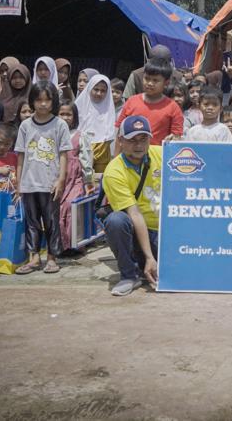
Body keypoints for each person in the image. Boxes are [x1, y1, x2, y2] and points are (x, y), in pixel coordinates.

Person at [13, 80, 70, 275]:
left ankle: (52, 258)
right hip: (29, 183)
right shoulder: (25, 126)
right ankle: (34, 257)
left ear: (53, 101)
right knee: (31, 222)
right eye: (38, 100)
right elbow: (20, 155)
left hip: (50, 183)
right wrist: (18, 182)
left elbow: (64, 154)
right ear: (32, 101)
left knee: (51, 221)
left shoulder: (59, 124)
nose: (43, 104)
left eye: (47, 100)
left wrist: (61, 179)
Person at [102, 115, 163, 296]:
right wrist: (150, 257)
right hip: (139, 232)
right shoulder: (113, 171)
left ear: (150, 139)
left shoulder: (163, 153)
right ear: (120, 141)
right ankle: (129, 275)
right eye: (132, 140)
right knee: (115, 220)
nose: (138, 145)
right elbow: (134, 214)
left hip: (167, 233)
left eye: (143, 139)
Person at [115, 57, 183, 146]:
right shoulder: (131, 102)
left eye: (155, 80)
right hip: (131, 155)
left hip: (158, 156)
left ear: (166, 83)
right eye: (147, 78)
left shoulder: (173, 107)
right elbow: (120, 132)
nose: (150, 83)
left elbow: (176, 137)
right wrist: (116, 158)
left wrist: (174, 138)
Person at [57, 101, 94, 252]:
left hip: (75, 179)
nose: (65, 117)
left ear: (75, 117)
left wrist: (88, 181)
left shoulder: (80, 136)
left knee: (71, 206)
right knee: (58, 209)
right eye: (62, 114)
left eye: (68, 114)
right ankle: (61, 244)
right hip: (59, 178)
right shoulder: (54, 134)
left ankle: (75, 243)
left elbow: (86, 160)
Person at [74, 73, 116, 172]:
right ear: (89, 88)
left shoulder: (109, 110)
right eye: (96, 89)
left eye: (103, 91)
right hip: (80, 147)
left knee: (98, 180)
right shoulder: (77, 107)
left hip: (102, 148)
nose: (99, 93)